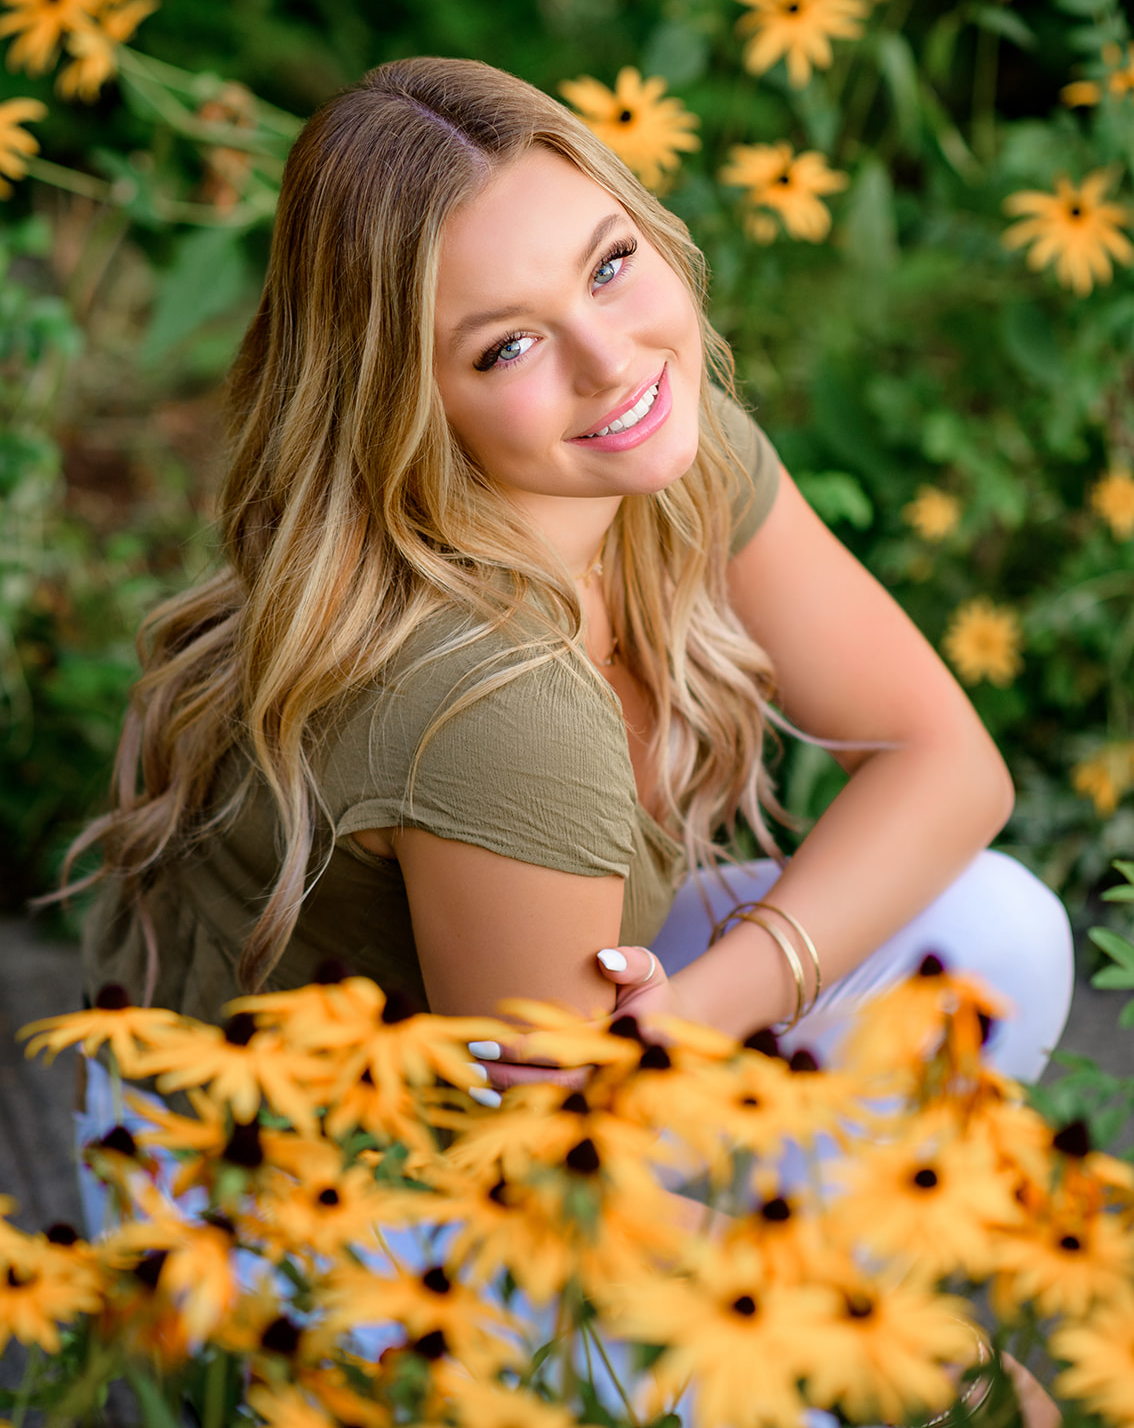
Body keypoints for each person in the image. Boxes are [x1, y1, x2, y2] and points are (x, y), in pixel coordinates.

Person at [68, 55, 1073, 1103]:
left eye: (608, 265)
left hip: (534, 1095)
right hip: (296, 1204)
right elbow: (557, 1174)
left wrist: (700, 1008)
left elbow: (951, 763)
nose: (610, 360)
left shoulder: (659, 459)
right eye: (507, 347)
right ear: (404, 402)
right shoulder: (491, 695)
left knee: (992, 935)